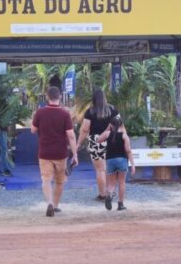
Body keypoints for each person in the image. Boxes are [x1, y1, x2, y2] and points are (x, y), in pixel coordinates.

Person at [31, 86, 79, 217]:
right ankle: (56, 205)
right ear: (60, 97)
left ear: (47, 97)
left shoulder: (40, 113)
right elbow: (71, 135)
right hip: (60, 153)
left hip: (44, 152)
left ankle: (49, 203)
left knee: (46, 180)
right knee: (59, 181)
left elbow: (33, 130)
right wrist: (75, 154)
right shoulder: (65, 114)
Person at [75, 89, 118, 201]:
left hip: (96, 141)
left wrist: (78, 143)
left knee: (100, 170)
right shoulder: (113, 109)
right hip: (111, 139)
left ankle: (102, 195)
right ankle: (110, 192)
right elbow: (119, 125)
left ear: (93, 99)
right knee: (109, 168)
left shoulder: (90, 112)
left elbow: (85, 129)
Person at [97, 115, 135, 211]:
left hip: (110, 160)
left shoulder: (107, 134)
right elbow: (128, 151)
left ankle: (109, 195)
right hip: (122, 160)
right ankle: (120, 204)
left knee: (111, 183)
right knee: (121, 182)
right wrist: (133, 164)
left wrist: (107, 129)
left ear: (111, 125)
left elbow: (98, 140)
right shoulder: (124, 136)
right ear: (122, 125)